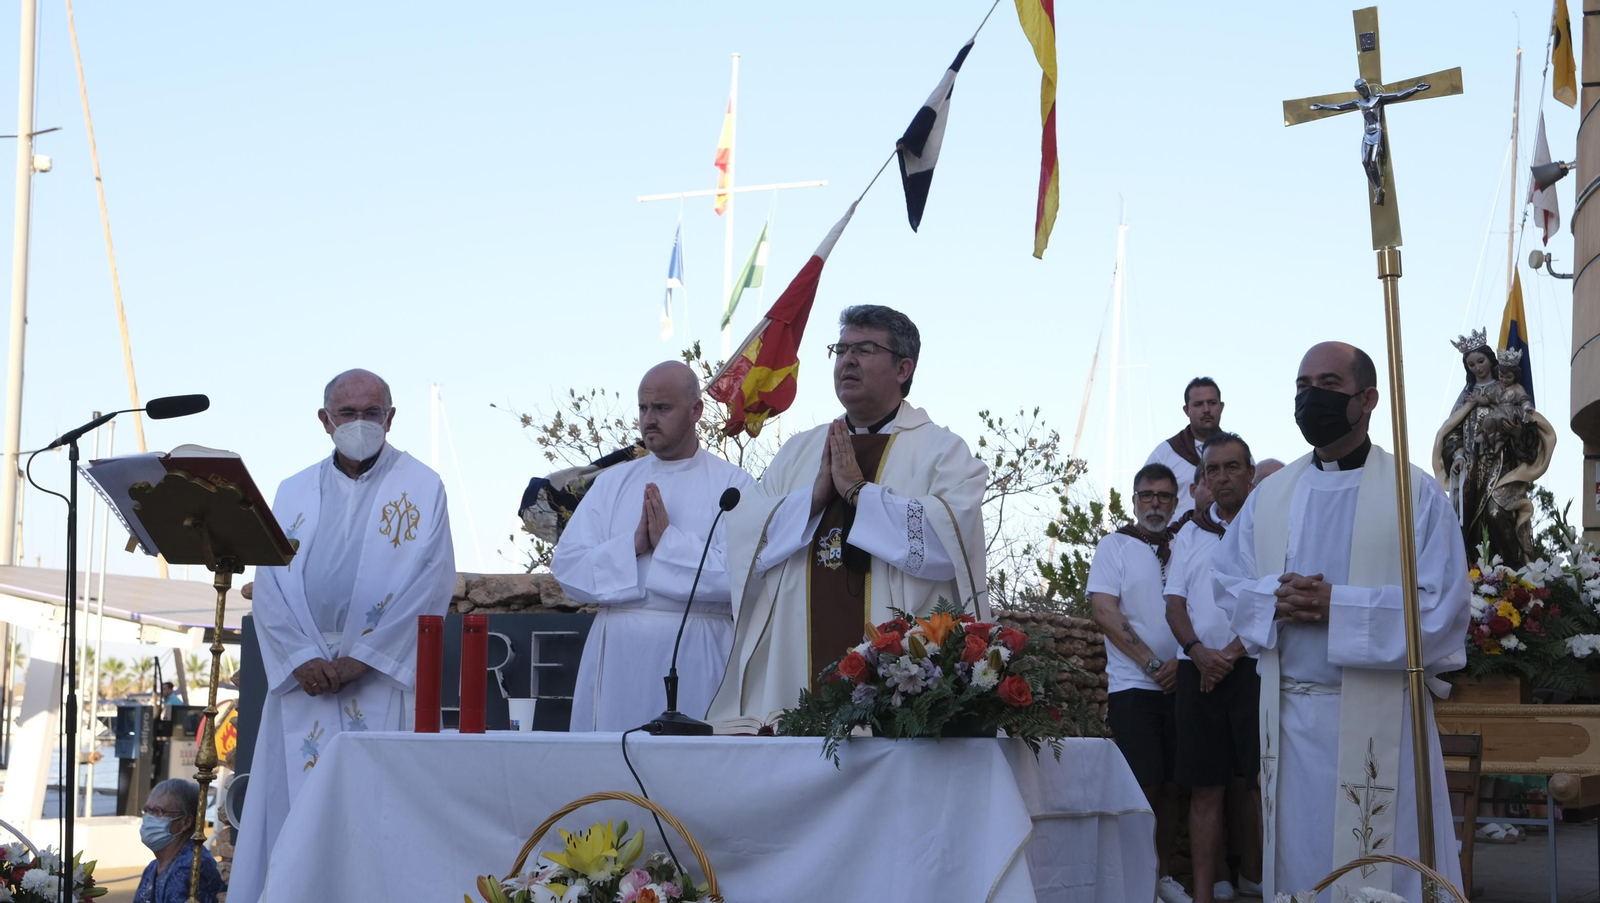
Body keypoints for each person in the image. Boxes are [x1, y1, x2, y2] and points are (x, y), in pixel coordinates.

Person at [1212, 342, 1469, 901]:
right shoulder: (1271, 496)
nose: (1310, 398)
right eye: (1302, 386)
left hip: (1384, 723)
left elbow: (1444, 610)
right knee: (1299, 867)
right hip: (1290, 722)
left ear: (1367, 399)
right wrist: (1274, 599)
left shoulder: (1415, 493)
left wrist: (1338, 606)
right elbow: (1226, 583)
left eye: (1328, 385)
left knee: (1382, 866)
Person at [230, 369, 456, 903]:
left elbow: (431, 582)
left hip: (379, 678)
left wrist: (363, 660)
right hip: (304, 679)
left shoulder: (423, 486)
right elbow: (269, 586)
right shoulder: (292, 490)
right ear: (324, 420)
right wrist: (303, 658)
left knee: (378, 813)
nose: (360, 423)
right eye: (347, 413)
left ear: (391, 418)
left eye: (371, 412)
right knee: (296, 812)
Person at [707, 305, 987, 724]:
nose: (847, 360)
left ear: (903, 368)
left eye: (865, 349)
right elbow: (748, 537)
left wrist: (860, 494)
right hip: (797, 662)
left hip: (904, 682)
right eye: (840, 349)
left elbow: (949, 541)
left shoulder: (942, 451)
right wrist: (813, 500)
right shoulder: (800, 450)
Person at [552, 361, 755, 731]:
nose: (649, 419)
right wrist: (632, 545)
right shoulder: (612, 483)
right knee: (611, 774)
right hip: (617, 658)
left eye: (662, 408)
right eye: (643, 408)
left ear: (696, 411)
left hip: (698, 652)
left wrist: (668, 544)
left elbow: (744, 577)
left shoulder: (734, 485)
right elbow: (567, 570)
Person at [1164, 434, 1262, 903]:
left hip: (1254, 669)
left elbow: (1277, 600)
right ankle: (1203, 894)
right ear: (1203, 479)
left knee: (1262, 784)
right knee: (1204, 789)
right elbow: (1175, 604)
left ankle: (1266, 886)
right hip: (1196, 669)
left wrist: (1232, 655)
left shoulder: (1270, 526)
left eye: (1232, 467)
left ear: (1250, 472)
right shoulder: (1188, 534)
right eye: (1213, 470)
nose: (1222, 477)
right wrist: (1200, 652)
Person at [1088, 462, 1188, 903]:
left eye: (1164, 496)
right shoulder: (1115, 546)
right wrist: (1152, 665)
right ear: (1134, 500)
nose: (1155, 504)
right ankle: (1131, 879)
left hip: (1184, 684)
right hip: (1134, 687)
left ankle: (1161, 876)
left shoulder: (1186, 544)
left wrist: (1183, 662)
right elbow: (1105, 612)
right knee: (1141, 785)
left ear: (1175, 501)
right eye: (1147, 495)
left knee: (1173, 788)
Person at [1145, 377, 1226, 520]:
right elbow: (1145, 500)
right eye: (1198, 404)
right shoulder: (1164, 455)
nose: (1206, 409)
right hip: (1177, 539)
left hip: (1229, 537)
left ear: (1221, 407)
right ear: (1186, 410)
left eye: (1212, 403)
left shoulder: (1237, 453)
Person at [133, 778, 225, 903]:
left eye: (157, 811)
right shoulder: (152, 868)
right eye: (147, 810)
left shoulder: (195, 867)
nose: (148, 818)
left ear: (185, 822)